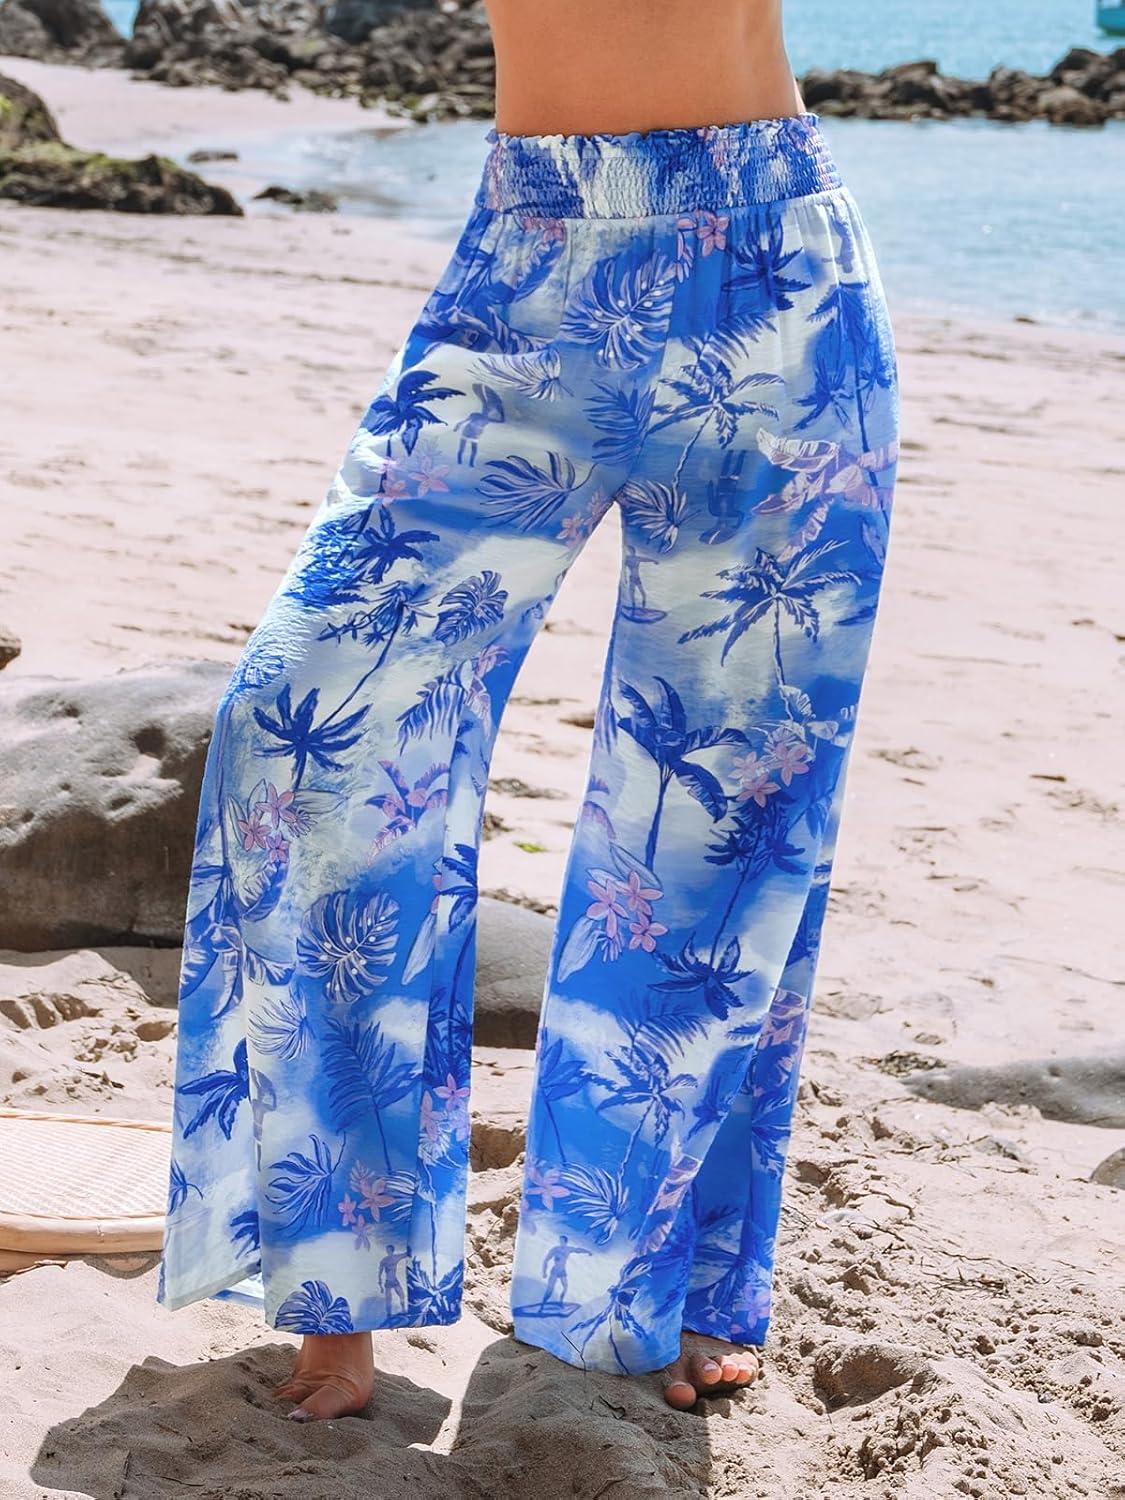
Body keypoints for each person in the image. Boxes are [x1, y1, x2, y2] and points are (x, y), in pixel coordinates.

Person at [159, 0, 899, 1421]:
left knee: (723, 818)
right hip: (527, 263)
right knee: (304, 725)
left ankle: (643, 1281)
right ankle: (343, 1270)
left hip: (775, 279)